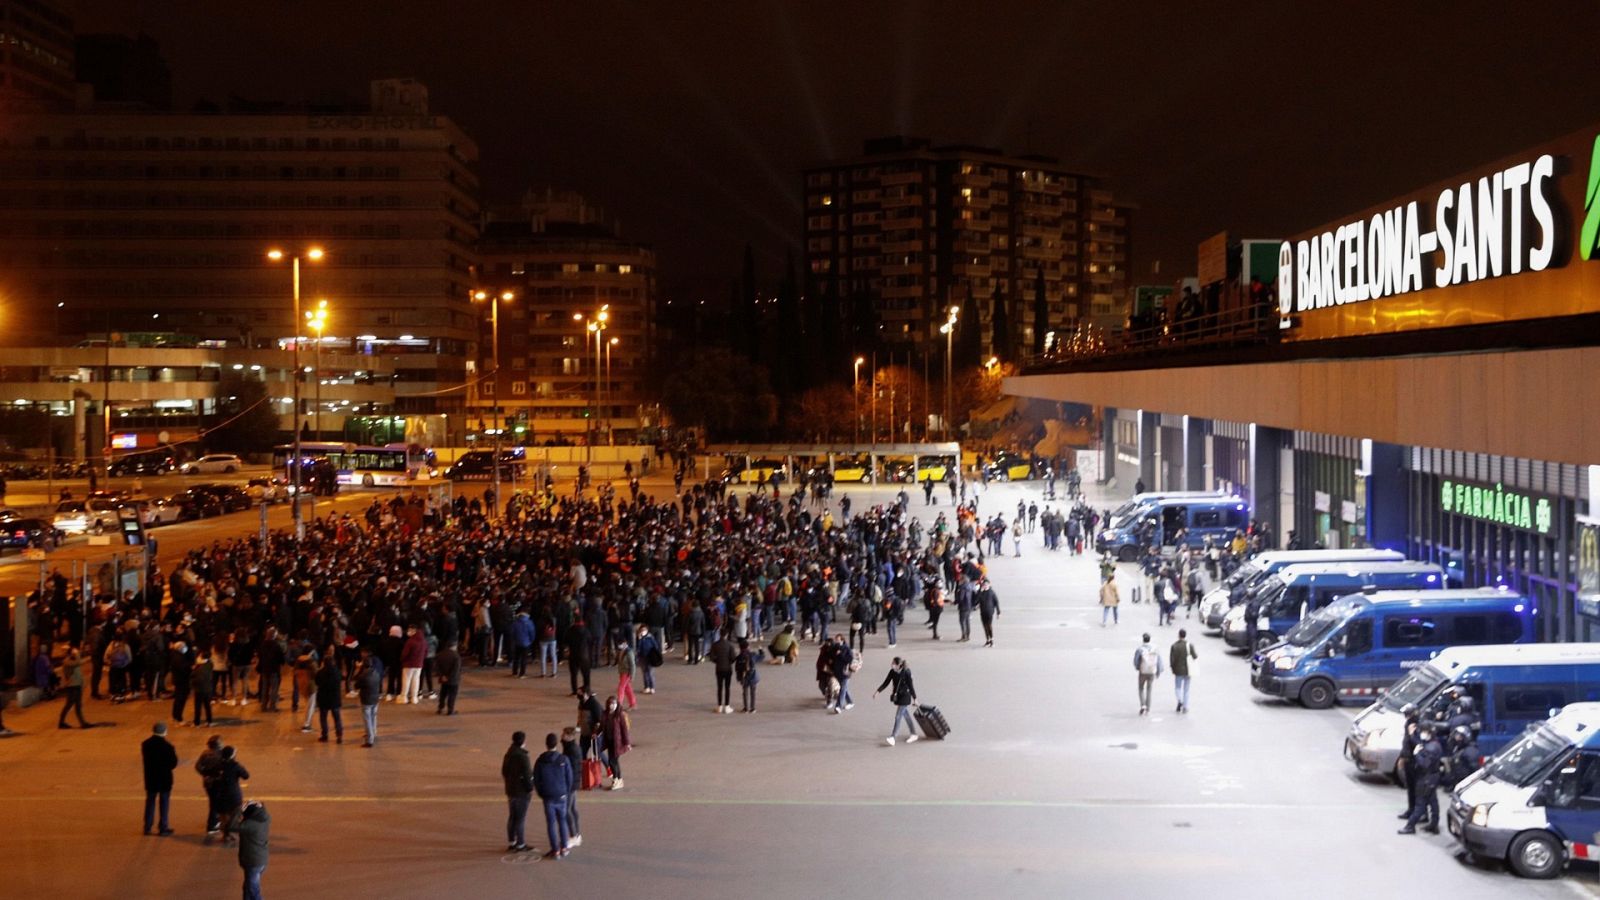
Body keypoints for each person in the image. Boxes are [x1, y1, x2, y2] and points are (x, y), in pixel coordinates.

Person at [533, 732, 573, 858]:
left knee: (551, 823)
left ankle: (555, 850)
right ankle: (564, 847)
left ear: (546, 745)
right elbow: (569, 778)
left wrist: (541, 793)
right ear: (557, 744)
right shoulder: (563, 759)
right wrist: (565, 791)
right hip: (561, 795)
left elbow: (536, 780)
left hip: (548, 797)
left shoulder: (540, 761)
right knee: (562, 821)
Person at [1398, 725, 1443, 834]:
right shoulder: (1435, 745)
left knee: (1420, 804)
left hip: (1425, 779)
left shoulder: (1430, 748)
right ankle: (1434, 824)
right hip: (1433, 778)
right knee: (1433, 802)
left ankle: (1410, 825)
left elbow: (1424, 764)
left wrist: (1416, 754)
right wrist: (1412, 735)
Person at [141, 722, 178, 836]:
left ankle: (147, 827)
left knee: (150, 802)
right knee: (164, 802)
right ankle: (163, 827)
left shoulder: (145, 744)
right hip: (164, 779)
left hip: (151, 777)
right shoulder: (168, 747)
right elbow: (173, 763)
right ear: (164, 732)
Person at [874, 656, 919, 746]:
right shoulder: (892, 672)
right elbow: (886, 682)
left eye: (894, 663)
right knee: (905, 715)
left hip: (905, 696)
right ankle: (913, 733)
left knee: (898, 716)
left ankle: (893, 737)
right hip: (898, 696)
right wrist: (878, 691)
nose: (892, 665)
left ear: (899, 665)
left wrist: (915, 698)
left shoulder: (906, 672)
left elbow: (911, 686)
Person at [501, 731, 534, 852]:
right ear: (523, 741)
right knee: (520, 818)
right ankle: (520, 843)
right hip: (521, 792)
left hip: (510, 790)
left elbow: (504, 772)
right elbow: (527, 775)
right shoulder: (523, 757)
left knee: (512, 817)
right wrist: (530, 788)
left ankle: (512, 841)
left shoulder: (508, 754)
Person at [214, 746, 250, 845]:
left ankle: (226, 835)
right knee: (234, 815)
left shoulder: (219, 765)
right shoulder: (235, 766)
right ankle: (231, 832)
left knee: (223, 817)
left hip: (221, 795)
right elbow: (246, 775)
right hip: (234, 795)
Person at [237, 800, 270, 900]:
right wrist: (260, 806)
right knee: (248, 888)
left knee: (253, 890)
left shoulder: (249, 824)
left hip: (253, 861)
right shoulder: (265, 818)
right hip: (261, 860)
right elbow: (262, 811)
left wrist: (238, 812)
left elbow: (231, 826)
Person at [559, 727, 584, 848]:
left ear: (570, 736)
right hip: (574, 783)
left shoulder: (572, 750)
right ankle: (577, 834)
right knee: (573, 809)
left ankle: (574, 835)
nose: (562, 736)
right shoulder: (570, 747)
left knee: (567, 810)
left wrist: (566, 784)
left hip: (570, 784)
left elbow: (571, 770)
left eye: (564, 734)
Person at [600, 694, 631, 790]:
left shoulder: (619, 715)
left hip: (617, 743)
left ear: (617, 704)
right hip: (609, 741)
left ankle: (617, 779)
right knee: (613, 761)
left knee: (613, 761)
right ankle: (617, 779)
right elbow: (602, 727)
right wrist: (596, 733)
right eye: (610, 704)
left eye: (613, 704)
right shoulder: (605, 714)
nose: (611, 706)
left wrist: (627, 743)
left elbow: (624, 730)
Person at [195, 734, 224, 834]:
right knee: (215, 803)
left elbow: (197, 766)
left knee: (213, 801)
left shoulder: (205, 753)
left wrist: (205, 774)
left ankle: (216, 821)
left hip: (208, 782)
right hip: (217, 782)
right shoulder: (221, 754)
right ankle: (212, 825)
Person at [57, 645, 90, 728]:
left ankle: (81, 723)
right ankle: (63, 723)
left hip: (76, 685)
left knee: (74, 705)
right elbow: (78, 663)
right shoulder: (67, 661)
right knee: (71, 705)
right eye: (72, 652)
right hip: (73, 686)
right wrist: (77, 653)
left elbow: (79, 663)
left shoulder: (71, 660)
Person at [314, 655, 343, 744]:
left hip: (323, 699)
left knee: (323, 718)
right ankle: (339, 736)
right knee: (337, 718)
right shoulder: (337, 672)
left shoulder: (320, 673)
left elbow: (317, 682)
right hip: (335, 698)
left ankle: (325, 735)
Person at [355, 650, 381, 747]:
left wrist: (358, 670)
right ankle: (373, 733)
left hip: (366, 699)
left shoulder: (363, 676)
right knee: (373, 716)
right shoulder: (376, 673)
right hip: (375, 698)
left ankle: (369, 739)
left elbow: (356, 685)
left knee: (367, 719)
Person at [1133, 633, 1163, 715]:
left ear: (1143, 639)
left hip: (1143, 671)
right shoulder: (1155, 649)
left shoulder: (1140, 649)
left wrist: (1138, 667)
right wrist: (1158, 671)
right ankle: (1148, 707)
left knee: (1141, 688)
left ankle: (1143, 705)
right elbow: (1159, 661)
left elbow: (1135, 661)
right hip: (1152, 671)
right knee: (1149, 689)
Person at [708, 629, 736, 714]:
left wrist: (718, 661)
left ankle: (719, 706)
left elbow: (712, 658)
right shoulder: (730, 645)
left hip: (719, 668)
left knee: (719, 687)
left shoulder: (715, 645)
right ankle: (727, 706)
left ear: (720, 634)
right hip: (728, 669)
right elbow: (733, 658)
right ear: (726, 635)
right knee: (727, 688)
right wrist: (729, 662)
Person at [1169, 629, 1198, 713]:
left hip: (1178, 670)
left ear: (1179, 635)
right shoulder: (1189, 645)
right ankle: (1185, 706)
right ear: (1185, 635)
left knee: (1178, 688)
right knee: (1186, 689)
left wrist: (1173, 669)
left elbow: (1172, 660)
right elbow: (1195, 656)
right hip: (1188, 670)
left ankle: (1180, 701)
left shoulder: (1174, 646)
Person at [827, 634, 855, 713]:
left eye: (838, 639)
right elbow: (830, 655)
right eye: (836, 639)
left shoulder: (847, 649)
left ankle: (838, 706)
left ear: (842, 640)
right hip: (837, 672)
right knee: (844, 688)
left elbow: (849, 660)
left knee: (842, 689)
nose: (836, 641)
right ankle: (850, 702)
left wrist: (840, 654)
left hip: (845, 673)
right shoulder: (834, 648)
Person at [435, 640, 461, 715]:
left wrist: (442, 676)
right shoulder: (456, 656)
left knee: (443, 694)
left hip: (443, 679)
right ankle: (450, 709)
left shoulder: (440, 655)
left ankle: (440, 708)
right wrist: (449, 677)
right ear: (454, 646)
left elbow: (437, 667)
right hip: (453, 680)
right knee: (452, 695)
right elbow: (456, 669)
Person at [735, 638, 759, 713]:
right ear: (748, 646)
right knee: (753, 692)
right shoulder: (752, 654)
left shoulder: (739, 657)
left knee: (745, 692)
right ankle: (753, 708)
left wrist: (739, 678)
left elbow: (737, 668)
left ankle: (745, 708)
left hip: (744, 677)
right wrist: (761, 650)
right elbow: (761, 657)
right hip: (752, 676)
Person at [975, 577, 1001, 647]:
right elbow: (976, 601)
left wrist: (998, 612)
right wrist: (980, 591)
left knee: (989, 626)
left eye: (986, 584)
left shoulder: (992, 592)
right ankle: (987, 640)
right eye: (984, 584)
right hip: (983, 612)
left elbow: (996, 602)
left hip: (989, 612)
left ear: (989, 585)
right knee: (984, 626)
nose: (985, 585)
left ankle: (992, 640)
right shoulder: (981, 592)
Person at [635, 624, 660, 694]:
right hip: (642, 657)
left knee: (650, 672)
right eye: (642, 630)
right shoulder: (639, 638)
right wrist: (640, 639)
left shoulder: (650, 637)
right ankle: (646, 687)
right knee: (645, 673)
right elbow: (638, 648)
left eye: (644, 630)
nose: (643, 632)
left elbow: (655, 646)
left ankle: (652, 687)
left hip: (650, 657)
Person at [614, 641, 637, 710]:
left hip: (627, 673)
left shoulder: (629, 653)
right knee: (627, 689)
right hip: (622, 672)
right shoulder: (621, 651)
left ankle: (619, 704)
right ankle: (633, 703)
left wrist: (632, 675)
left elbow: (632, 665)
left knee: (621, 688)